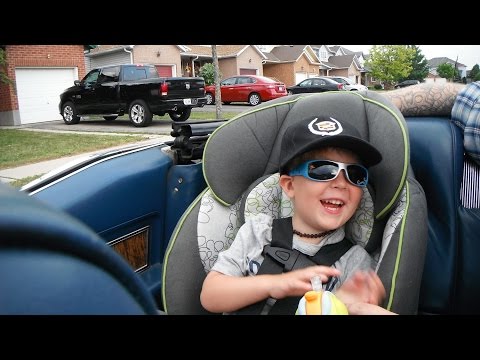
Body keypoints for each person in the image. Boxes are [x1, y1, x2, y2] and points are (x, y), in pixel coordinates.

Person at [200, 115, 386, 314]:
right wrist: (275, 284)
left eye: (355, 174)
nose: (341, 183)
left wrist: (347, 305)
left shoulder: (355, 262)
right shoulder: (258, 232)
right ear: (289, 186)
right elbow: (211, 296)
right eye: (323, 170)